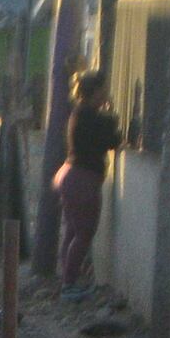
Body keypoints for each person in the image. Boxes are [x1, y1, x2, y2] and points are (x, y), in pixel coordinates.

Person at [51, 67, 121, 287]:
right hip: (83, 179)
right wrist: (112, 116)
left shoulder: (79, 113)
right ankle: (69, 284)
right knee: (84, 232)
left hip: (70, 176)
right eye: (103, 91)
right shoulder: (90, 116)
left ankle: (67, 278)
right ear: (95, 92)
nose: (106, 94)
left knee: (73, 230)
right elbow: (112, 139)